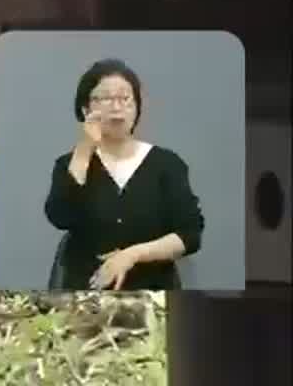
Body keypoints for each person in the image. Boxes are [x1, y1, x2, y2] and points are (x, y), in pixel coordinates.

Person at [43, 58, 205, 290]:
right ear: (86, 108)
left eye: (125, 98)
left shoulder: (167, 164)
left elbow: (189, 235)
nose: (116, 107)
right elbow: (59, 216)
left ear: (137, 107)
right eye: (106, 98)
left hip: (152, 289)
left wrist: (131, 255)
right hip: (85, 290)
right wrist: (85, 149)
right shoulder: (69, 163)